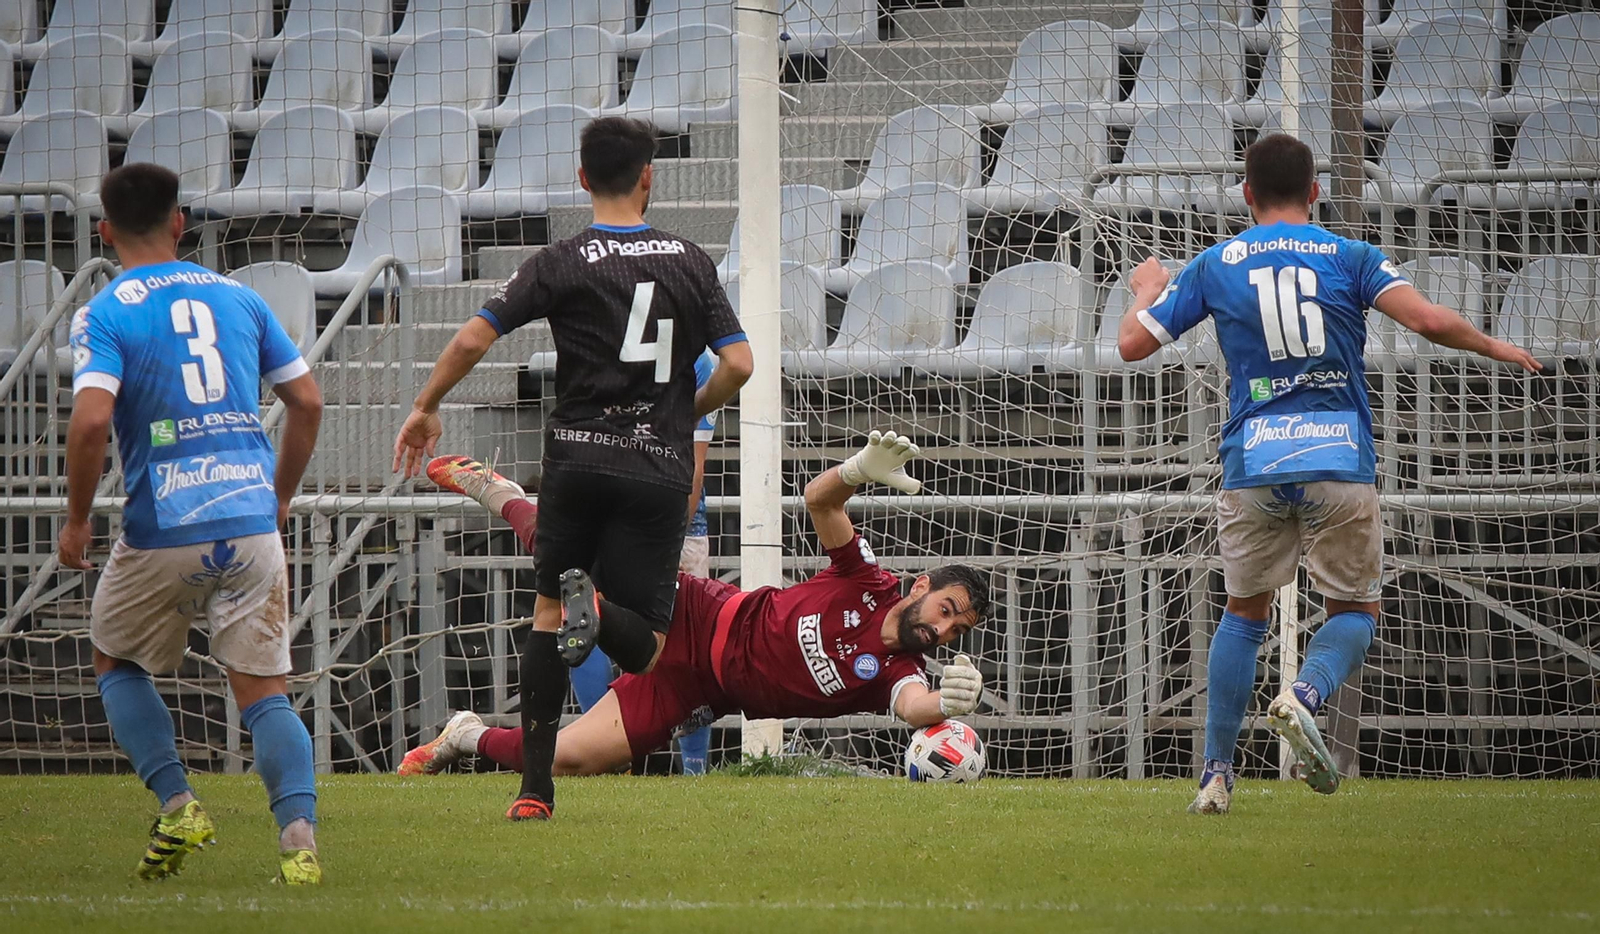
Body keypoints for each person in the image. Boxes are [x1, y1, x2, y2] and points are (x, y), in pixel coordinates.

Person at [1115, 133, 1542, 815]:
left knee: (1244, 614)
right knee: (1357, 612)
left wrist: (1147, 287)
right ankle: (1304, 696)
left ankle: (1216, 778)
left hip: (1253, 460)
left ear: (1247, 194)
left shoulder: (1215, 262)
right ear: (1316, 192)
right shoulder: (1351, 256)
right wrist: (1494, 344)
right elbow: (1428, 321)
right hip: (1338, 459)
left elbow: (1132, 344)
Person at [392, 116, 753, 820]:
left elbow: (473, 336)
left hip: (578, 459)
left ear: (583, 178)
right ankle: (606, 610)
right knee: (649, 649)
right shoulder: (690, 260)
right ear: (650, 176)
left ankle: (534, 792)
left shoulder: (558, 260)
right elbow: (739, 363)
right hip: (656, 466)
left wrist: (426, 404)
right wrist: (685, 412)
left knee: (548, 616)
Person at [397, 431, 990, 784]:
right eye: (947, 608)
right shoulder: (868, 577)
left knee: (569, 760)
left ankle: (464, 736)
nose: (942, 630)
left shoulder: (897, 673)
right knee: (578, 561)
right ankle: (504, 496)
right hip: (694, 611)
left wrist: (948, 703)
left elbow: (916, 708)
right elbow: (819, 500)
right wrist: (856, 471)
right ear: (921, 585)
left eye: (955, 630)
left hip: (699, 691)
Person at [60, 163, 326, 882]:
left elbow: (89, 423)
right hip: (249, 516)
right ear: (180, 222)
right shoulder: (239, 297)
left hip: (163, 524)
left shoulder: (106, 310)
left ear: (105, 230)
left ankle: (178, 802)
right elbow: (306, 401)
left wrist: (77, 519)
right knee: (264, 691)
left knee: (115, 659)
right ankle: (298, 839)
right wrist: (280, 493)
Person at [426, 350, 723, 774]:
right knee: (581, 611)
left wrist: (663, 543)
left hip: (671, 519)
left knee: (683, 650)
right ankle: (606, 760)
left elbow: (691, 469)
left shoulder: (696, 360)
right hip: (606, 504)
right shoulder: (604, 338)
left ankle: (693, 770)